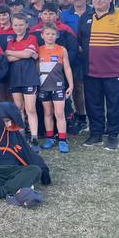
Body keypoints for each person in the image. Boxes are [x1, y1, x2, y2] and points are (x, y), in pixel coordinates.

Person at [79, 0, 119, 150]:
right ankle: (96, 133)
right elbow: (81, 41)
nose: (98, 1)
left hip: (114, 70)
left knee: (114, 104)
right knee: (93, 103)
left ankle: (113, 135)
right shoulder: (86, 17)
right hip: (91, 69)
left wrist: (117, 55)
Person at [5, 13, 40, 151]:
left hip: (29, 78)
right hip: (15, 79)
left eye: (21, 24)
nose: (18, 28)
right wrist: (24, 54)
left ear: (26, 25)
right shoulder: (11, 41)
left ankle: (34, 138)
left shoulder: (31, 37)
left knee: (30, 109)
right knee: (18, 108)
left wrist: (11, 52)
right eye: (15, 25)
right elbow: (8, 58)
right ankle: (21, 136)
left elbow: (27, 54)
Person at [38, 22, 74, 153]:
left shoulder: (61, 49)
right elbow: (36, 69)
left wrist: (71, 84)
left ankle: (63, 140)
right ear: (42, 35)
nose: (50, 36)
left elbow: (67, 68)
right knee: (47, 113)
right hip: (43, 87)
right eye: (47, 34)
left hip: (58, 86)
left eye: (53, 34)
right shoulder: (39, 50)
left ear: (57, 35)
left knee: (59, 114)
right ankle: (50, 138)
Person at [60, 0, 92, 131]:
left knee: (93, 87)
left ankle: (95, 116)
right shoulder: (64, 14)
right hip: (72, 55)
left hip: (92, 54)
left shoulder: (93, 11)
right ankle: (80, 117)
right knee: (77, 87)